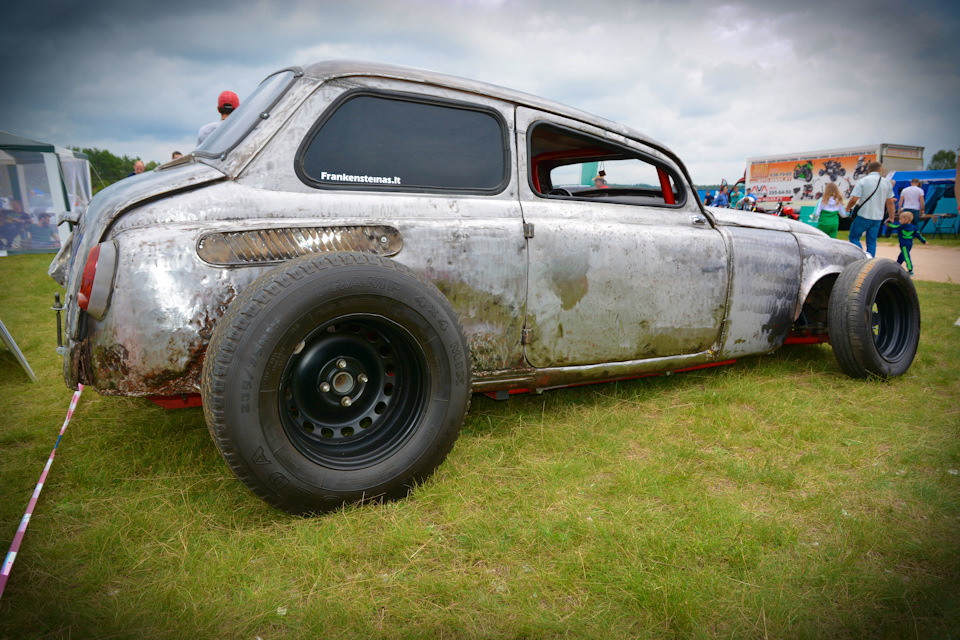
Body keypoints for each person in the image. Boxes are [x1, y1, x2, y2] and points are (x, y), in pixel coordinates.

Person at [846, 161, 894, 258]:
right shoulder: (887, 183)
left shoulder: (863, 181)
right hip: (878, 217)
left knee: (854, 237)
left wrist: (847, 208)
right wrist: (891, 217)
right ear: (879, 170)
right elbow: (890, 202)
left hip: (864, 215)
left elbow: (854, 199)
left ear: (868, 169)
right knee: (872, 241)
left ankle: (863, 257)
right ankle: (870, 260)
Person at [886, 211, 927, 275]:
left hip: (904, 245)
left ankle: (910, 270)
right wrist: (924, 241)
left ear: (906, 220)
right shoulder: (914, 227)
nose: (899, 220)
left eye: (900, 219)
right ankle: (896, 267)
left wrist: (887, 223)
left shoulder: (901, 227)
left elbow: (894, 226)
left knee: (906, 256)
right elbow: (918, 235)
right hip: (909, 244)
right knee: (901, 256)